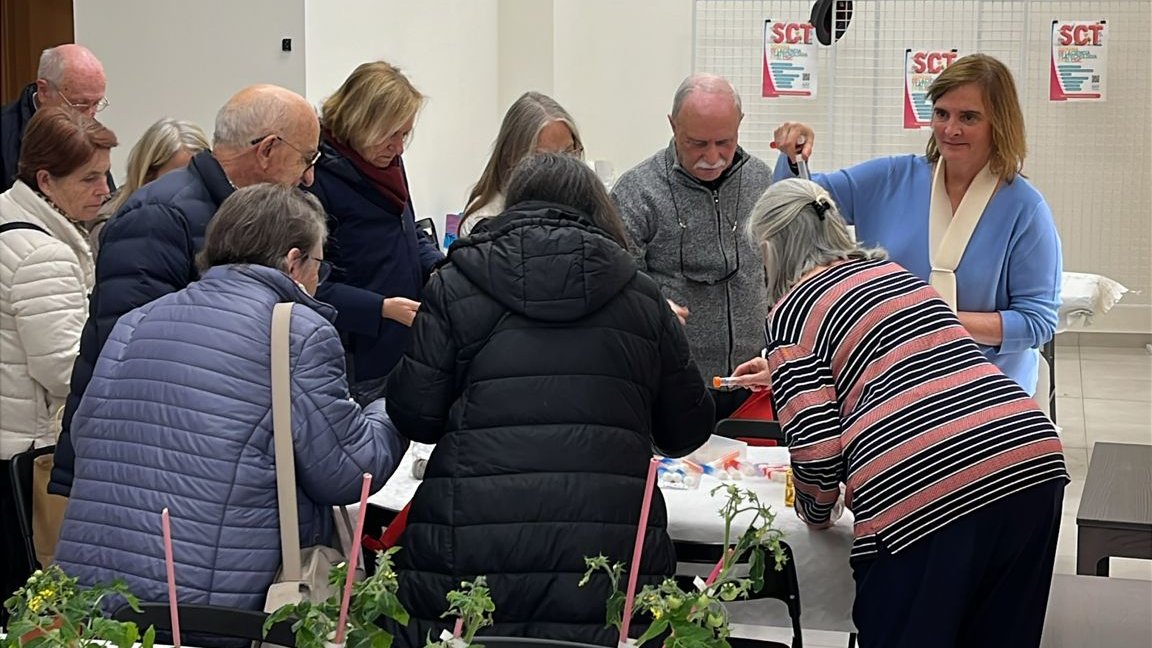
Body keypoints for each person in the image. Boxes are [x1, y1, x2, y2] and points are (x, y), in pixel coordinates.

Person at [384, 153, 714, 646]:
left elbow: (416, 415)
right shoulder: (641, 297)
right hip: (607, 553)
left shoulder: (455, 285)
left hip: (469, 547)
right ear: (598, 209)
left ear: (515, 203)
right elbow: (685, 429)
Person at [730, 178, 1068, 648]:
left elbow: (817, 449)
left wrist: (816, 510)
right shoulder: (897, 275)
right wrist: (783, 370)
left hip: (927, 478)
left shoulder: (791, 311)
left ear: (769, 246)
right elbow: (902, 358)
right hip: (1029, 454)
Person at [53, 183, 407, 613]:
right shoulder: (296, 332)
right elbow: (350, 471)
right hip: (207, 603)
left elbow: (89, 437)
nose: (319, 276)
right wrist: (392, 406)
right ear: (294, 262)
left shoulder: (135, 321)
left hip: (97, 597)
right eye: (318, 262)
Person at [50, 84, 321, 497]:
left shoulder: (249, 214)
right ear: (266, 150)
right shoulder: (160, 215)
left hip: (195, 453)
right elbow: (133, 359)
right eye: (307, 158)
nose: (309, 176)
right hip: (141, 464)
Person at [770, 53, 1060, 395]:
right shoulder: (891, 178)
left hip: (988, 393)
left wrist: (930, 321)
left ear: (1000, 123)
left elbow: (1036, 322)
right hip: (889, 384)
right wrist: (793, 156)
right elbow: (796, 203)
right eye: (941, 114)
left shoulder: (1025, 210)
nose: (951, 129)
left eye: (969, 117)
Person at [0, 107, 116, 623]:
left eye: (106, 173)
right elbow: (63, 370)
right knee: (34, 612)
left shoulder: (9, 220)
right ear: (45, 180)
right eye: (89, 177)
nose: (105, 188)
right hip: (26, 454)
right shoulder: (42, 254)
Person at [611, 73, 771, 421]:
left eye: (724, 142)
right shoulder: (636, 193)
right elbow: (615, 286)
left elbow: (784, 276)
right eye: (697, 143)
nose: (712, 157)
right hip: (672, 387)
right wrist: (652, 305)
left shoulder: (762, 180)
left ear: (740, 125)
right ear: (672, 126)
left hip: (755, 386)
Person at [307, 61, 444, 402]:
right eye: (391, 134)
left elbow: (403, 229)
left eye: (405, 135)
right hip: (356, 357)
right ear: (361, 121)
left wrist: (437, 264)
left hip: (404, 346)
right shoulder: (316, 179)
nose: (399, 147)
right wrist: (380, 308)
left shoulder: (387, 162)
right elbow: (309, 285)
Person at [458, 91, 584, 237]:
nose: (562, 167)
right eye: (545, 158)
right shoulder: (484, 223)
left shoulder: (582, 206)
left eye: (568, 153)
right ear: (511, 156)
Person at [1, 44, 112, 192]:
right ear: (44, 91)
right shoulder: (5, 131)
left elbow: (106, 200)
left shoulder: (87, 130)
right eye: (80, 104)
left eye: (96, 103)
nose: (90, 116)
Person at [91, 117, 211, 253]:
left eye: (197, 175)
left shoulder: (218, 218)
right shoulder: (111, 228)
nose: (189, 186)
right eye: (178, 177)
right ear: (148, 175)